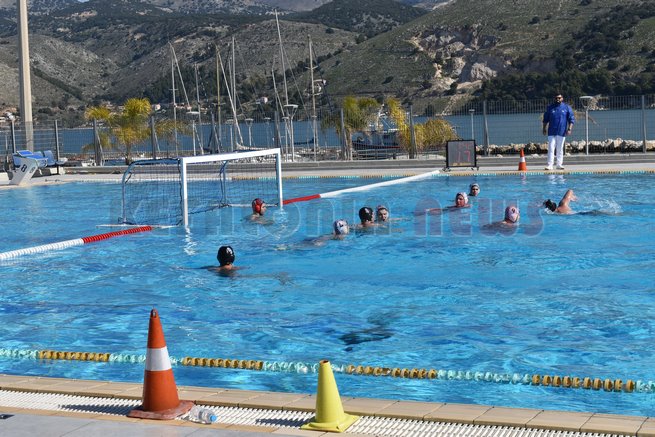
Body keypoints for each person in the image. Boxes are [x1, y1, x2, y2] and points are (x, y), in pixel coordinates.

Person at [542, 93, 575, 170]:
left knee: (560, 148)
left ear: (562, 98)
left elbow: (571, 119)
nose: (558, 99)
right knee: (551, 148)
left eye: (559, 98)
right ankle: (550, 165)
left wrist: (569, 129)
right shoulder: (550, 107)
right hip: (551, 131)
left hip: (561, 131)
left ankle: (559, 164)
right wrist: (544, 128)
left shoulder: (566, 107)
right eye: (556, 98)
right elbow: (545, 119)